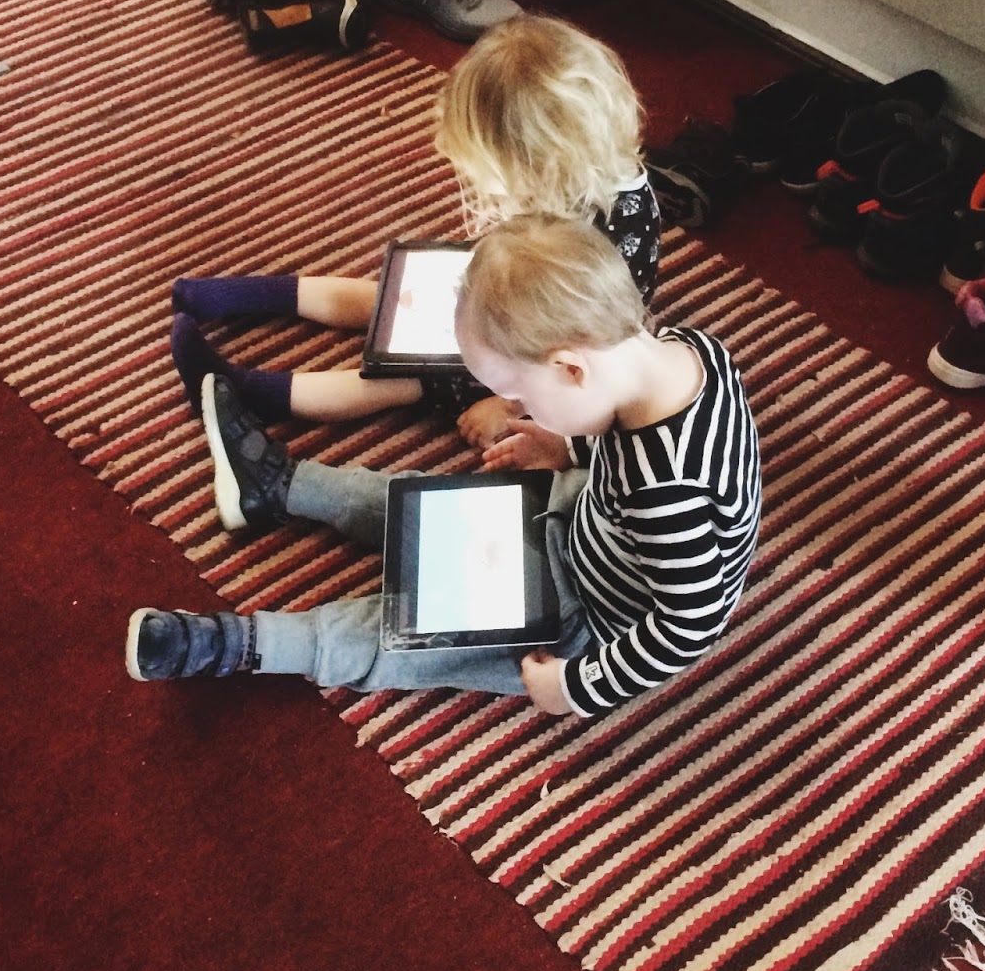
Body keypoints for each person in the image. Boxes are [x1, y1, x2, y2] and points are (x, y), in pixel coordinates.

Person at [127, 215, 761, 719]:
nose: (520, 409)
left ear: (571, 368)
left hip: (591, 620)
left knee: (410, 630)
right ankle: (279, 486)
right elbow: (621, 440)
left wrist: (578, 685)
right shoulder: (682, 349)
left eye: (522, 395)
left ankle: (242, 644)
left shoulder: (664, 492)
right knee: (427, 505)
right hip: (592, 519)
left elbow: (690, 623)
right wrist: (568, 448)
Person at [168, 14, 660, 448]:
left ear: (542, 165)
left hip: (516, 353)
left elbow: (584, 359)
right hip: (501, 295)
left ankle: (238, 390)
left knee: (393, 378)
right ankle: (234, 296)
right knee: (386, 298)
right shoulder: (576, 184)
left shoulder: (620, 241)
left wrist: (509, 405)